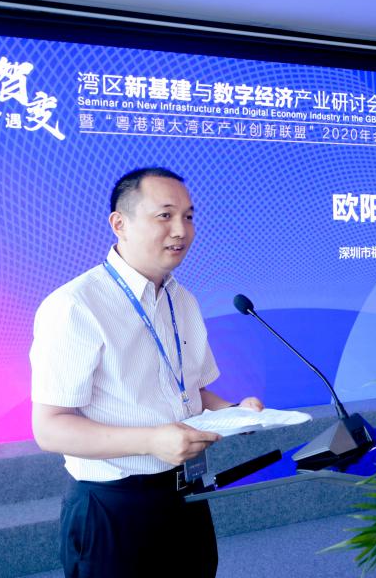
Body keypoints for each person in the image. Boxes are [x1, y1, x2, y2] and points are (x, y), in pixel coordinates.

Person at [30, 166, 263, 577]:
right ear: (119, 223)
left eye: (188, 216)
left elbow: (190, 392)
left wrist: (232, 412)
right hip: (113, 505)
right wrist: (152, 440)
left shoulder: (183, 300)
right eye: (165, 215)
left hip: (186, 495)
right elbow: (50, 428)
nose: (181, 230)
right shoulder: (75, 305)